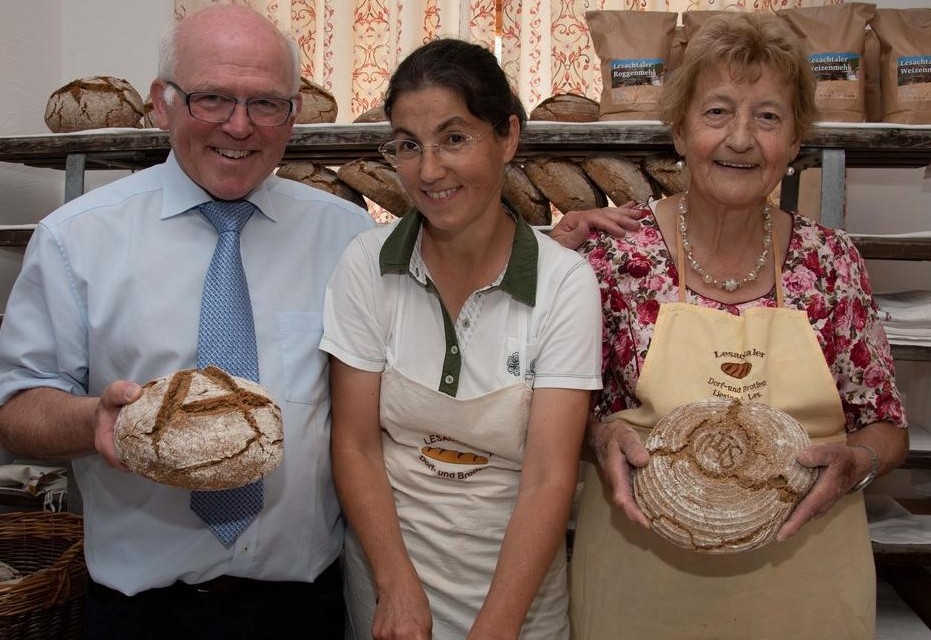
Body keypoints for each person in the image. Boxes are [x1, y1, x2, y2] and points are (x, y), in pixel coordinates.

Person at [0, 5, 373, 639]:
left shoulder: (347, 237)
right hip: (139, 615)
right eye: (212, 98)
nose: (239, 125)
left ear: (292, 116)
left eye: (265, 103)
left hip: (302, 610)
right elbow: (16, 407)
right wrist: (93, 422)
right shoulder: (76, 239)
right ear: (162, 104)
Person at [568, 12, 908, 640]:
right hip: (641, 588)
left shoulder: (830, 262)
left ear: (796, 141)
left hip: (807, 590)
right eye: (718, 112)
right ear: (679, 130)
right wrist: (596, 436)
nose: (742, 139)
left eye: (769, 117)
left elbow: (886, 424)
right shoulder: (614, 258)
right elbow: (552, 414)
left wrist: (858, 461)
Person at [320, 38, 602, 640]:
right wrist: (397, 588)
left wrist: (497, 626)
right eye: (408, 145)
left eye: (454, 138)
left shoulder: (564, 283)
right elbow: (355, 445)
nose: (429, 171)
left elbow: (548, 476)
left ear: (508, 137)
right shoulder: (366, 264)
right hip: (388, 585)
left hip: (517, 599)